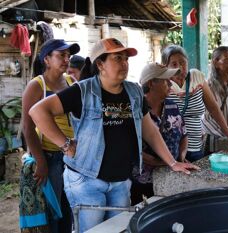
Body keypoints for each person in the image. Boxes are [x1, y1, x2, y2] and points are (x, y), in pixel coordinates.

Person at [29, 38, 199, 233]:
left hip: (120, 181)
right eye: (117, 58)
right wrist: (65, 144)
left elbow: (149, 130)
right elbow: (38, 112)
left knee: (119, 230)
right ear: (100, 64)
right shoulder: (82, 91)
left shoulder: (133, 91)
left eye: (126, 58)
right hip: (87, 181)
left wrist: (172, 162)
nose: (124, 63)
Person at [22, 39, 80, 233]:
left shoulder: (72, 82)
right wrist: (41, 161)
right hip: (49, 156)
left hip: (71, 156)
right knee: (52, 211)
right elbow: (28, 127)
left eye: (68, 56)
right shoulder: (37, 85)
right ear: (47, 59)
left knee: (69, 208)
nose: (66, 59)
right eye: (61, 55)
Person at [161, 45, 228, 162]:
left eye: (182, 62)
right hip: (171, 148)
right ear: (165, 66)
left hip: (196, 146)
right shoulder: (162, 84)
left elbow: (213, 107)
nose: (180, 67)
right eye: (174, 64)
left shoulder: (196, 77)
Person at [131, 63, 187, 205]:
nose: (170, 83)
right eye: (165, 80)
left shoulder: (172, 105)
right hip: (142, 181)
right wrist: (162, 162)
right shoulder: (135, 110)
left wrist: (180, 158)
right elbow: (133, 149)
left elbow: (184, 135)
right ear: (151, 83)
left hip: (170, 174)